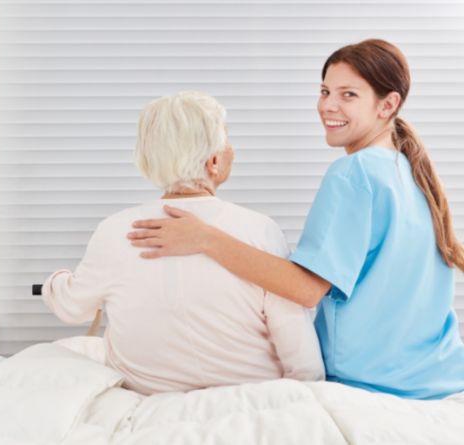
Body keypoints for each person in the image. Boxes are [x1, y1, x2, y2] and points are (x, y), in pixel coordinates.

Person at [127, 39, 464, 400]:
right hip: (438, 377)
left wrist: (204, 238)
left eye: (348, 95)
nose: (328, 106)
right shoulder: (409, 170)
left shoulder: (355, 173)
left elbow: (305, 290)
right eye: (325, 91)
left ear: (388, 104)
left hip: (374, 384)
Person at [42, 91, 325, 395]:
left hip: (148, 400)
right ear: (213, 162)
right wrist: (307, 394)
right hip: (247, 395)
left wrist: (56, 282)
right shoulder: (261, 230)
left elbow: (73, 308)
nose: (233, 150)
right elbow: (300, 351)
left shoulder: (115, 231)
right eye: (227, 140)